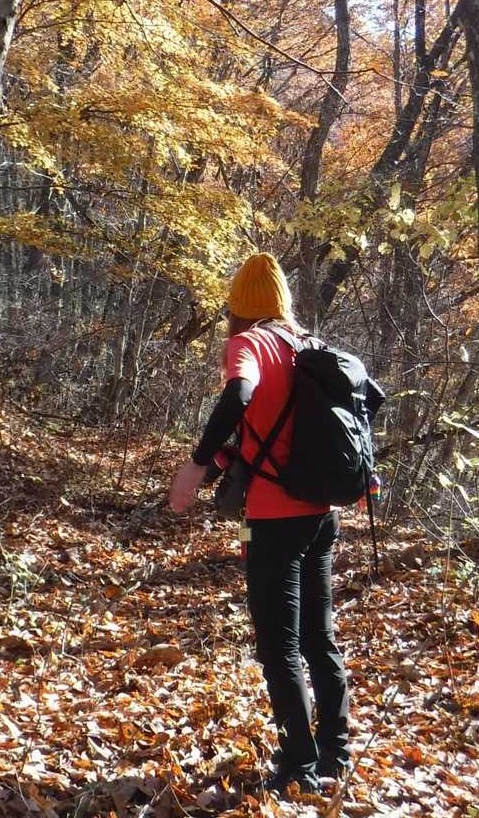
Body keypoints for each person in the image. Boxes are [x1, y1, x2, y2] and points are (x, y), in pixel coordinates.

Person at [168, 252, 350, 797]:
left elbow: (240, 393)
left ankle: (299, 767)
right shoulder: (309, 345)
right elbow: (271, 430)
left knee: (279, 647)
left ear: (239, 307)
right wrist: (224, 460)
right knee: (320, 638)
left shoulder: (249, 343)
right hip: (322, 515)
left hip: (274, 521)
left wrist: (197, 462)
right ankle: (335, 754)